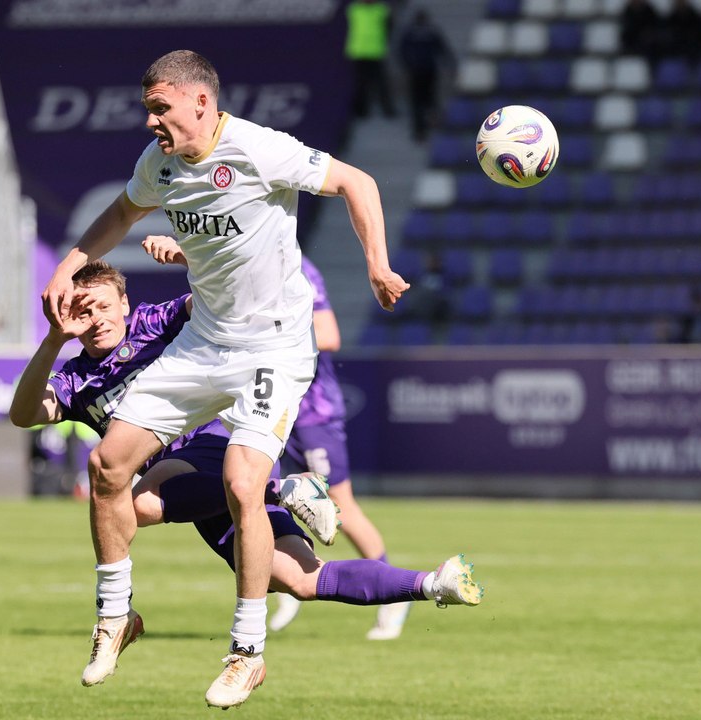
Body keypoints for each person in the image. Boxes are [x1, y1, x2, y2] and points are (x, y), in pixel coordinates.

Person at [40, 50, 409, 709]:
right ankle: (116, 614)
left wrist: (377, 265)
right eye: (147, 109)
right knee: (107, 464)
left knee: (242, 483)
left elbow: (358, 182)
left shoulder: (260, 149)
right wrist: (67, 268)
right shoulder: (158, 164)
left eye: (160, 108)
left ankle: (247, 653)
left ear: (201, 102)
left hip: (273, 346)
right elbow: (120, 214)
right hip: (204, 343)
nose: (150, 120)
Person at [12, 261, 481, 674]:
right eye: (84, 310)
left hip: (219, 445)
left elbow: (212, 304)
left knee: (136, 507)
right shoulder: (76, 379)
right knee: (298, 580)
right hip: (196, 496)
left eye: (104, 306)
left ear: (124, 303)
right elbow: (23, 413)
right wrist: (53, 341)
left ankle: (281, 490)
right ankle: (433, 583)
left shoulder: (151, 323)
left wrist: (195, 257)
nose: (96, 319)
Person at [267, 256, 413, 640]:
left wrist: (266, 336)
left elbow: (329, 335)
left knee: (340, 502)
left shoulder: (298, 267)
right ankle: (286, 580)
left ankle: (394, 593)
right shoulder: (251, 258)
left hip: (312, 411)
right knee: (262, 493)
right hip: (272, 405)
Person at [397, 9, 453, 142]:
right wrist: (449, 64)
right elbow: (443, 50)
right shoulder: (431, 32)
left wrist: (407, 65)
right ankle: (425, 128)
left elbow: (401, 51)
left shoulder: (411, 33)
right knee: (428, 100)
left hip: (419, 71)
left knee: (419, 102)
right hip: (426, 71)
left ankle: (421, 130)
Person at [345, 0, 398, 119]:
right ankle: (361, 111)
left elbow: (390, 26)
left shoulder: (381, 10)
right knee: (361, 84)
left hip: (376, 51)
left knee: (381, 83)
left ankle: (387, 109)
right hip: (359, 51)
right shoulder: (354, 9)